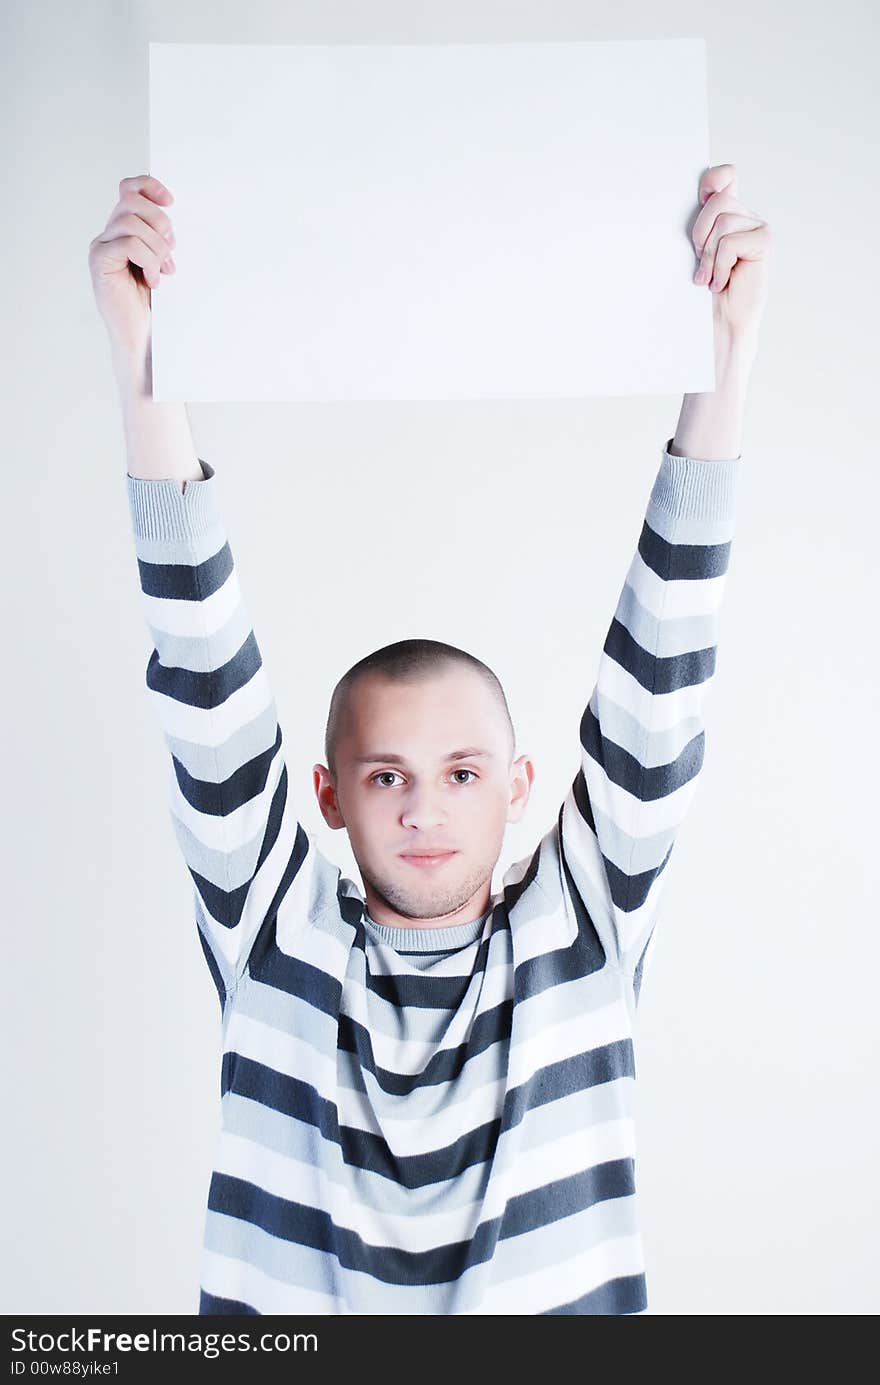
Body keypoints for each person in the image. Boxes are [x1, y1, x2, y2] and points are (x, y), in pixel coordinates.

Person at [87, 165, 771, 1315]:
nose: (422, 806)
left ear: (517, 787)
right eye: (386, 774)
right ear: (328, 793)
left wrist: (725, 357)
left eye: (459, 774)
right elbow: (203, 675)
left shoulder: (580, 930)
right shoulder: (278, 942)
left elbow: (665, 659)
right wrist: (144, 362)